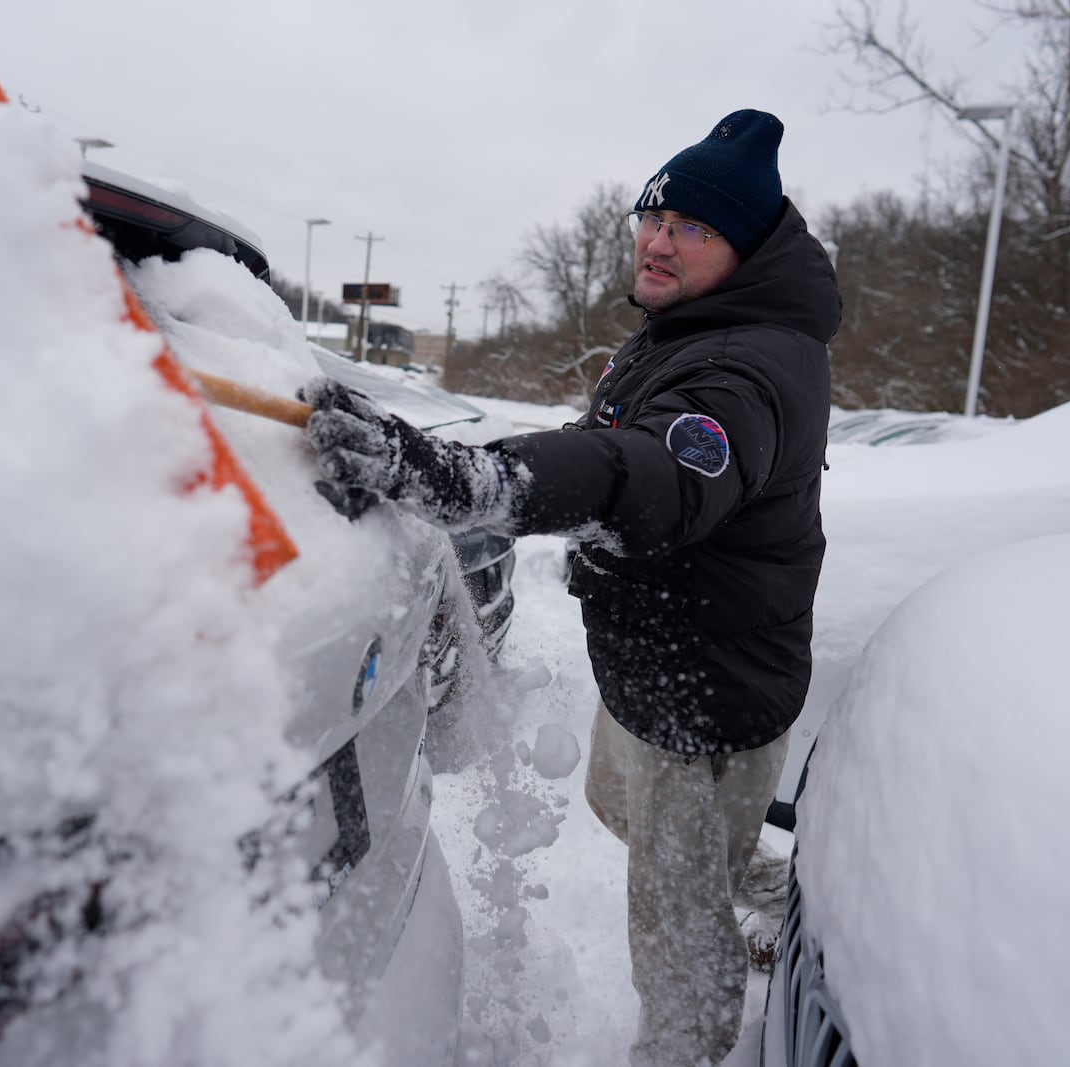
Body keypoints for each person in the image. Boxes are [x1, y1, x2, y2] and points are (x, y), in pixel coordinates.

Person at [301, 109, 840, 1066]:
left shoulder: (751, 367)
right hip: (658, 666)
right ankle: (731, 866)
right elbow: (618, 438)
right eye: (654, 217)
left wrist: (463, 477)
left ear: (745, 246)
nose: (660, 240)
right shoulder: (688, 330)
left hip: (706, 695)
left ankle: (682, 1044)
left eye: (694, 227)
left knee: (675, 943)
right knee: (613, 800)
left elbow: (651, 473)